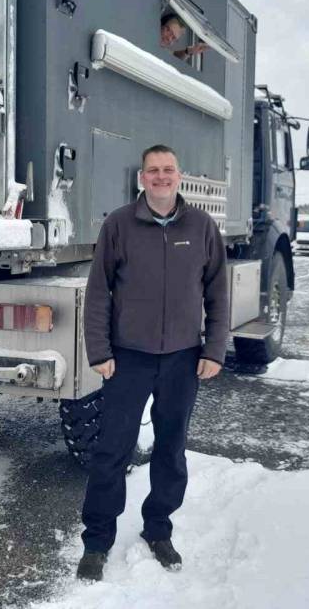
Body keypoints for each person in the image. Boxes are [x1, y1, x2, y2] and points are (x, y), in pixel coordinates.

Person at [77, 144, 229, 582]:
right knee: (111, 451)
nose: (161, 177)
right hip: (128, 359)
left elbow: (218, 292)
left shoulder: (201, 227)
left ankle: (158, 529)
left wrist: (214, 349)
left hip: (183, 358)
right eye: (153, 171)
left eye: (168, 170)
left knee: (171, 448)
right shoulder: (119, 225)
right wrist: (100, 352)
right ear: (141, 178)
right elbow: (99, 292)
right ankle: (97, 540)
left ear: (179, 176)